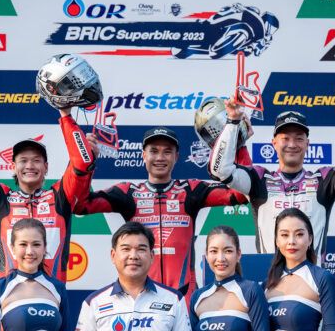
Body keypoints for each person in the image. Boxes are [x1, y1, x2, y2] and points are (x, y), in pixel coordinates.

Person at [207, 64, 335, 259]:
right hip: (270, 278)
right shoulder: (259, 180)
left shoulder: (324, 181)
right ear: (274, 143)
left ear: (307, 144)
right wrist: (233, 121)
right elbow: (220, 171)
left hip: (312, 278)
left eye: (299, 138)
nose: (292, 144)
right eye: (285, 138)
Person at [0, 64, 98, 281]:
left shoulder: (60, 196)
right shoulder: (1, 198)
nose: (30, 166)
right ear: (13, 167)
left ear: (46, 168)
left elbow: (82, 163)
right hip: (10, 295)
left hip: (52, 295)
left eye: (36, 160)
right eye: (23, 161)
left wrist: (65, 115)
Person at [76, 126, 250, 298]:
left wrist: (240, 146)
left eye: (167, 152)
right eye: (154, 151)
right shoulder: (128, 193)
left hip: (184, 297)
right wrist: (85, 161)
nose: (160, 157)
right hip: (142, 297)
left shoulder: (190, 190)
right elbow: (80, 204)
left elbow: (241, 193)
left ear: (176, 157)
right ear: (144, 155)